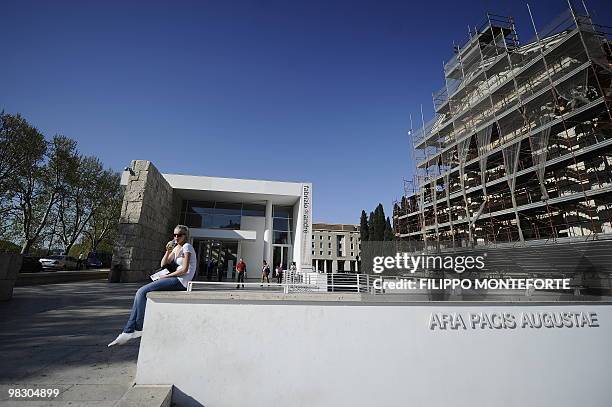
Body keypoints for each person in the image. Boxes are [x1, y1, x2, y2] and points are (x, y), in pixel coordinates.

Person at [108, 225, 197, 347]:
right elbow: (163, 263)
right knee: (140, 293)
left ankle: (136, 329)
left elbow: (185, 269)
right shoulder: (177, 248)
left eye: (179, 235)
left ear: (185, 236)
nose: (176, 237)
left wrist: (167, 276)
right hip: (174, 277)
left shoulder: (187, 247)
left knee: (141, 291)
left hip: (181, 281)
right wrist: (168, 250)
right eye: (174, 235)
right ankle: (130, 331)